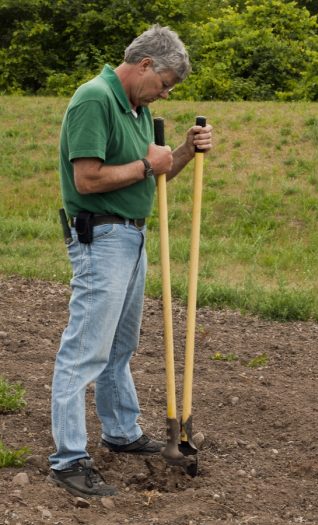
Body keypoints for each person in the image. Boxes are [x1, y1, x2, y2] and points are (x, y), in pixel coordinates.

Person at [48, 24, 213, 498]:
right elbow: (88, 180)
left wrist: (182, 151)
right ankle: (69, 458)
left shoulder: (137, 107)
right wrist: (147, 165)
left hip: (132, 237)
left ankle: (120, 432)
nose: (164, 93)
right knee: (85, 351)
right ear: (144, 65)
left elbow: (150, 178)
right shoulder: (94, 99)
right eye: (164, 84)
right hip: (100, 236)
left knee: (121, 347)